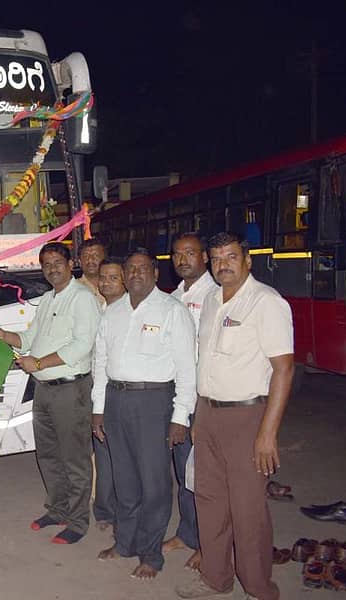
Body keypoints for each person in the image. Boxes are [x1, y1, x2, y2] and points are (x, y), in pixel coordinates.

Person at [176, 232, 293, 600]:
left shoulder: (266, 302)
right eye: (216, 258)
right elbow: (204, 361)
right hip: (208, 412)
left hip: (247, 417)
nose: (222, 264)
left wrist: (267, 433)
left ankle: (259, 587)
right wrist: (198, 416)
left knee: (247, 509)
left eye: (230, 256)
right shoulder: (211, 299)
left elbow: (284, 370)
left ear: (247, 260)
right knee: (209, 499)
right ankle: (216, 578)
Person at [91, 248, 196, 579]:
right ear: (123, 274)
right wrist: (98, 410)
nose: (135, 274)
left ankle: (151, 555)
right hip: (116, 400)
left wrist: (180, 416)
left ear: (154, 272)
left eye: (142, 269)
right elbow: (101, 363)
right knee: (125, 481)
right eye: (130, 269)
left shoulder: (171, 311)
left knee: (154, 485)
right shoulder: (113, 312)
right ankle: (125, 543)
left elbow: (186, 369)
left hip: (154, 403)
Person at [0, 242, 101, 544]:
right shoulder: (49, 299)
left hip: (70, 389)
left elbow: (82, 345)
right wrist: (4, 336)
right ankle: (58, 509)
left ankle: (77, 522)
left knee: (74, 458)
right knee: (49, 455)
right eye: (47, 264)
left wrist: (38, 362)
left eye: (57, 262)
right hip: (43, 389)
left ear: (70, 264)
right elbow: (29, 339)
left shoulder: (82, 298)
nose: (52, 268)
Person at [164, 232, 219, 570]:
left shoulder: (214, 295)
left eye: (190, 253)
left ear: (205, 257)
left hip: (201, 398)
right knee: (184, 471)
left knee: (205, 477)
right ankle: (187, 533)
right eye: (177, 254)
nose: (182, 260)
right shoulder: (176, 296)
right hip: (177, 395)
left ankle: (209, 543)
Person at [91, 257, 126, 530]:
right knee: (104, 457)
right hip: (98, 392)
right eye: (103, 277)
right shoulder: (101, 308)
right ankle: (105, 510)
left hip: (124, 394)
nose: (106, 282)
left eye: (113, 277)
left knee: (124, 459)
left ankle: (123, 514)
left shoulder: (131, 310)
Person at [77, 238, 107, 308]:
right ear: (79, 262)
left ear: (105, 259)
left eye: (96, 255)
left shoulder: (117, 286)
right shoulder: (72, 288)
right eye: (86, 256)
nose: (90, 260)